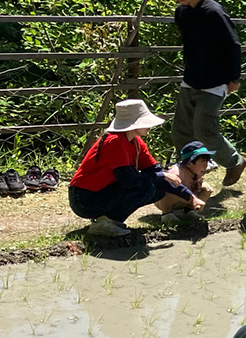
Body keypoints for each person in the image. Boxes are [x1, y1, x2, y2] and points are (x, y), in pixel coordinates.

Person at [165, 0, 246, 186]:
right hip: (191, 79)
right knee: (180, 131)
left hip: (214, 82)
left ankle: (235, 162)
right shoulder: (181, 13)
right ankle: (192, 174)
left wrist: (234, 78)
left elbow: (233, 45)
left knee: (205, 129)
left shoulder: (215, 12)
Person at [69, 99, 201, 236]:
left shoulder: (137, 143)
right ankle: (105, 223)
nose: (149, 126)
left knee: (158, 189)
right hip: (84, 199)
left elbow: (155, 172)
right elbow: (129, 180)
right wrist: (163, 176)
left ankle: (109, 221)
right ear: (134, 123)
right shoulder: (115, 141)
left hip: (102, 193)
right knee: (146, 187)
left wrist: (189, 196)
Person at [155, 141, 217, 224]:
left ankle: (189, 211)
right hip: (164, 199)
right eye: (202, 162)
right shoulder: (177, 173)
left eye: (206, 161)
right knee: (170, 188)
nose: (205, 165)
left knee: (207, 188)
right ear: (189, 164)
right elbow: (163, 188)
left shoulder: (197, 172)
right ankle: (167, 214)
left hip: (185, 198)